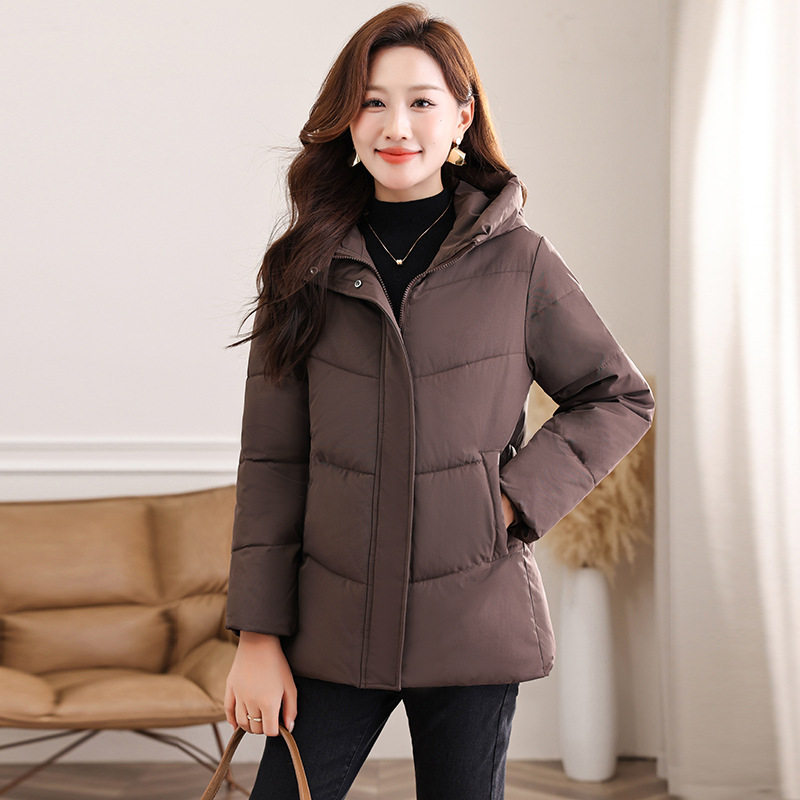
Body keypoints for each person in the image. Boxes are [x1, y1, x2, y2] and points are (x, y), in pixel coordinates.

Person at [223, 4, 655, 799]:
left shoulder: (520, 262)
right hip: (331, 626)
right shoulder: (302, 270)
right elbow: (273, 465)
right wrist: (257, 637)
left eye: (421, 101)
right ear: (346, 121)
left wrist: (507, 503)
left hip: (473, 622)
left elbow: (616, 397)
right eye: (372, 101)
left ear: (461, 115)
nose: (397, 125)